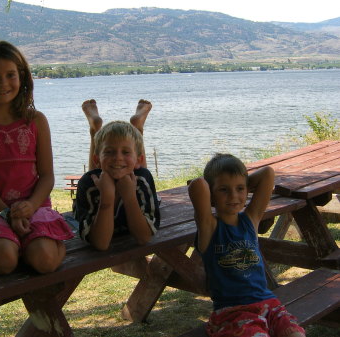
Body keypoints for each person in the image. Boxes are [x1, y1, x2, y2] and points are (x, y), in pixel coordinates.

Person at [0, 39, 74, 275]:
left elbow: (47, 176)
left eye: (10, 75)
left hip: (34, 205)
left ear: (21, 77)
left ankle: (33, 245)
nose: (3, 83)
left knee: (46, 261)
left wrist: (30, 206)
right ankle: (9, 244)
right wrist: (6, 214)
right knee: (2, 261)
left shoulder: (36, 120)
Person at [188, 153, 305, 337]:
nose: (234, 195)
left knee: (295, 334)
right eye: (224, 190)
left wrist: (240, 180)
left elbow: (268, 173)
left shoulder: (250, 220)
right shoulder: (209, 228)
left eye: (240, 189)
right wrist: (236, 182)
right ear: (211, 195)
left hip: (269, 304)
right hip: (233, 312)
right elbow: (197, 185)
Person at [74, 99, 160, 251]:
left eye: (125, 152)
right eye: (110, 152)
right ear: (96, 161)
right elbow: (101, 243)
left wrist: (130, 197)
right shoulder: (88, 184)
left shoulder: (142, 178)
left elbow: (143, 238)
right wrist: (107, 198)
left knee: (137, 170)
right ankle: (96, 130)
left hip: (135, 173)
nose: (118, 157)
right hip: (99, 180)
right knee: (97, 172)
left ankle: (136, 128)